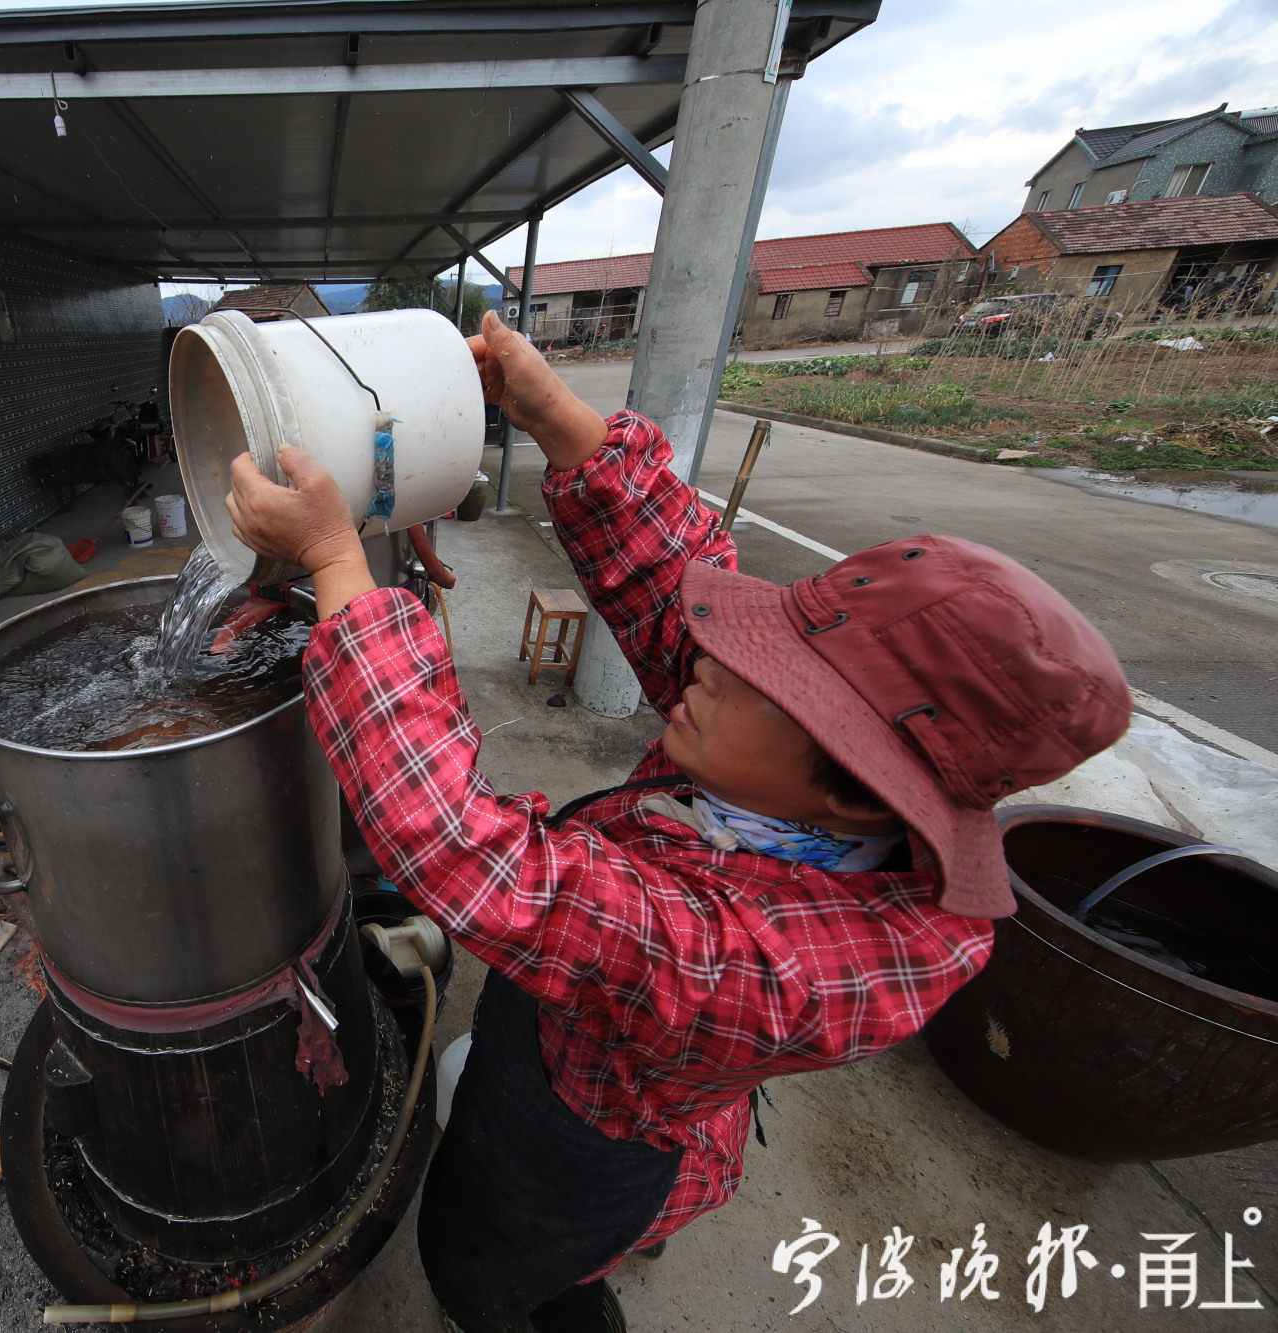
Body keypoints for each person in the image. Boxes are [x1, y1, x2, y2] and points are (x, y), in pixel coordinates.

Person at [223, 310, 1130, 1333]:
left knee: (490, 1264)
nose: (701, 659)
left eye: (760, 678)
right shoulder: (792, 785)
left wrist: (337, 565)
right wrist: (551, 412)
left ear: (858, 789)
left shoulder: (785, 964)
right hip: (595, 1030)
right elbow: (674, 593)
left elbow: (487, 869)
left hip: (590, 1138)